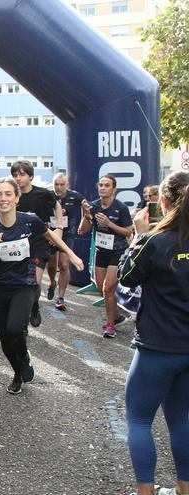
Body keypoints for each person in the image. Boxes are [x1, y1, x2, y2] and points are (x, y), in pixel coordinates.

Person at [0, 178, 83, 394]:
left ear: (17, 198)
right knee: (5, 339)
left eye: (8, 194)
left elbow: (50, 235)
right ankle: (18, 372)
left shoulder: (29, 221)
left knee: (15, 328)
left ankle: (23, 357)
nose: (3, 198)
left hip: (23, 285)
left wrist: (71, 254)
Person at [120, 170, 189, 495]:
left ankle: (145, 491)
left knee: (139, 420)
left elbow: (126, 277)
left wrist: (138, 235)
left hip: (156, 348)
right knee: (181, 420)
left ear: (163, 202)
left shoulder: (154, 242)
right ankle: (183, 488)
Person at [78, 174, 133, 338]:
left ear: (114, 189)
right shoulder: (93, 206)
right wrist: (86, 215)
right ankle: (116, 317)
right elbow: (83, 230)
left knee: (108, 288)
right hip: (101, 251)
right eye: (101, 185)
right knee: (103, 289)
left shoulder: (121, 208)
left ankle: (110, 326)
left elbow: (128, 231)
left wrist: (109, 223)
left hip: (118, 251)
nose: (103, 188)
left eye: (107, 185)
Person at [11, 160, 63, 328]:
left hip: (39, 244)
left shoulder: (43, 194)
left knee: (34, 282)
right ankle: (22, 323)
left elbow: (57, 206)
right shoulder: (12, 195)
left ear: (31, 176)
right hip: (18, 245)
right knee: (20, 283)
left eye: (22, 174)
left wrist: (59, 227)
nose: (18, 178)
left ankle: (34, 305)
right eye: (15, 175)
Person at [47, 172, 85, 310]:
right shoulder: (48, 195)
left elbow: (86, 207)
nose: (58, 187)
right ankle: (52, 283)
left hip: (67, 233)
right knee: (52, 265)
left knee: (64, 264)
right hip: (51, 233)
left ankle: (61, 297)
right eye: (56, 184)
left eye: (61, 184)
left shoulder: (75, 196)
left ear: (67, 185)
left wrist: (83, 221)